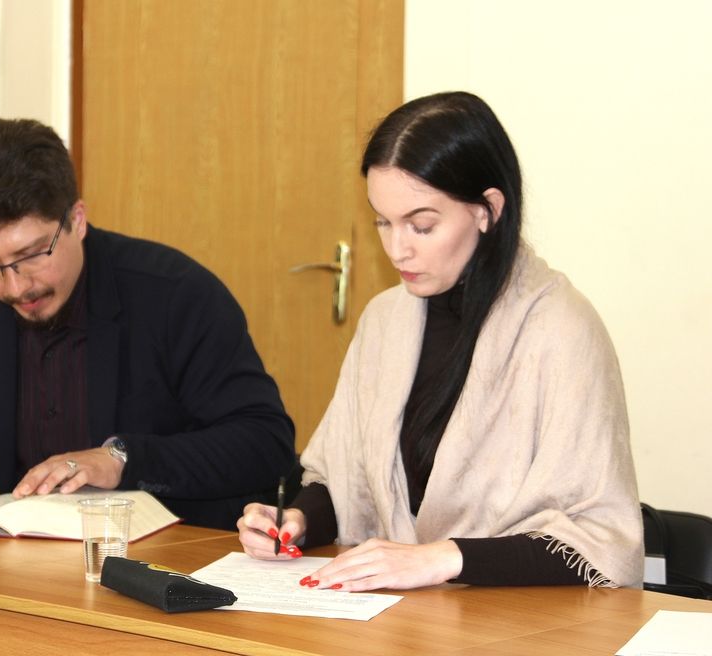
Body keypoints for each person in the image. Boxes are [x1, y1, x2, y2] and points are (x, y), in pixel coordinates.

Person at [237, 91, 643, 589]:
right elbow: (344, 481)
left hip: (521, 618)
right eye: (383, 222)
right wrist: (297, 522)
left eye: (422, 225)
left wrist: (444, 558)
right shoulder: (385, 320)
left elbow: (600, 540)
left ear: (488, 210)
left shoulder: (561, 329)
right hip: (397, 612)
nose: (397, 249)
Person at [0, 117, 295, 531]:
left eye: (32, 254)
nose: (15, 286)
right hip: (29, 560)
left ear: (77, 219)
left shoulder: (174, 294)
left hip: (173, 557)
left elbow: (264, 442)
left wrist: (120, 460)